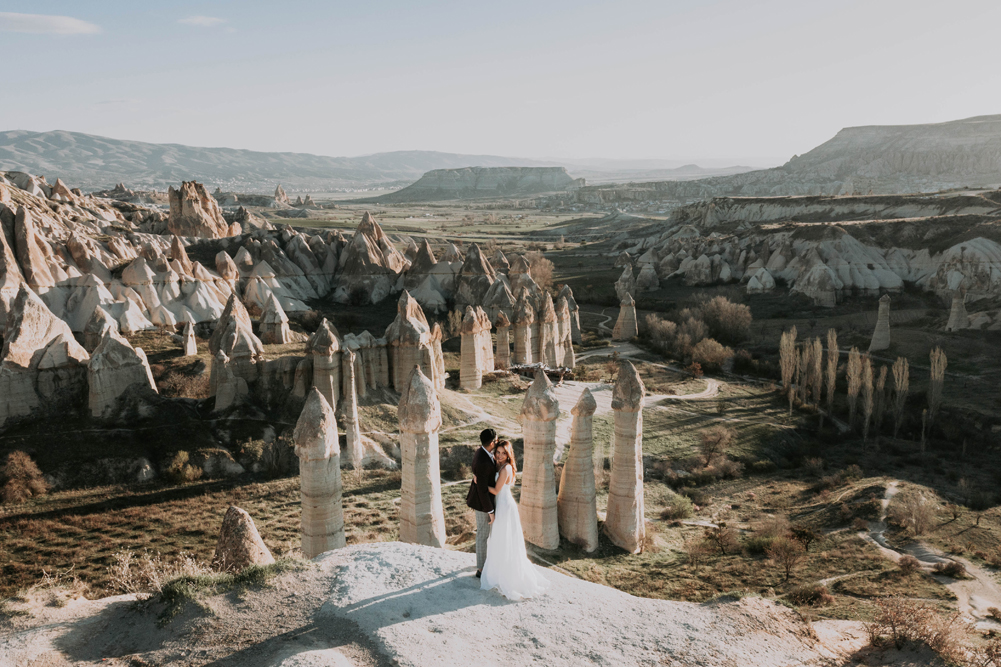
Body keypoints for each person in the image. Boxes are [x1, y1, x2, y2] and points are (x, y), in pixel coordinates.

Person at [479, 440, 549, 601]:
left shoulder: (506, 468)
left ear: (508, 454)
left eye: (504, 453)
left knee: (504, 540)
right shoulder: (501, 466)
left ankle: (507, 577)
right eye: (498, 452)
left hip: (504, 507)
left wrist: (480, 485)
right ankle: (499, 573)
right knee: (501, 540)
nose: (500, 455)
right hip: (502, 505)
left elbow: (496, 490)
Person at [466, 428, 498, 579]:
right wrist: (490, 511)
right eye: (496, 440)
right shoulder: (484, 461)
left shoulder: (481, 452)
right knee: (483, 535)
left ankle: (485, 563)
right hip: (482, 503)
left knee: (484, 534)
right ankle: (480, 569)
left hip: (481, 501)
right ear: (492, 442)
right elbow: (482, 490)